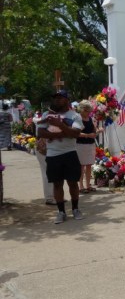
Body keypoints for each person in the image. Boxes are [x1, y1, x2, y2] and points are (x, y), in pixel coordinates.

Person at [37, 90, 84, 224]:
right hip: (53, 155)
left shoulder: (74, 116)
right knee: (57, 184)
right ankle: (61, 212)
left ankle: (75, 209)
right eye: (55, 98)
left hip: (70, 153)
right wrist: (63, 133)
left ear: (67, 100)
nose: (57, 100)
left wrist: (60, 125)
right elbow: (41, 132)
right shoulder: (47, 115)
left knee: (73, 183)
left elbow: (75, 133)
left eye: (60, 98)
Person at [76, 100, 101, 193]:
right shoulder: (77, 118)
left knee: (89, 165)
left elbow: (94, 131)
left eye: (89, 111)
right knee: (81, 166)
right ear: (82, 109)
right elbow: (76, 133)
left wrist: (97, 132)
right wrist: (88, 135)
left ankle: (88, 185)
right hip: (80, 145)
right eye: (87, 110)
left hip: (90, 144)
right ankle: (81, 186)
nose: (88, 113)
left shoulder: (90, 119)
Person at [33, 111, 56, 205]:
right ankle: (49, 197)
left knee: (53, 173)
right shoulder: (46, 118)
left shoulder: (47, 116)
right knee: (47, 173)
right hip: (44, 148)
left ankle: (54, 196)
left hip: (47, 148)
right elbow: (40, 133)